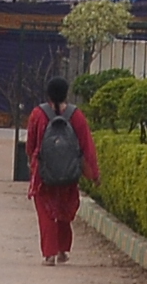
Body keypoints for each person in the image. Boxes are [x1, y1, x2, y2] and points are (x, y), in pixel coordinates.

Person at [15, 77, 95, 263]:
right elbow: (87, 146)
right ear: (66, 93)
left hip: (44, 173)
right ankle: (63, 250)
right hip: (68, 173)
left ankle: (49, 253)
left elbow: (31, 144)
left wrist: (31, 162)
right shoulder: (76, 115)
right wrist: (94, 173)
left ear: (48, 94)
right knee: (64, 209)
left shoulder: (38, 114)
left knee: (46, 212)